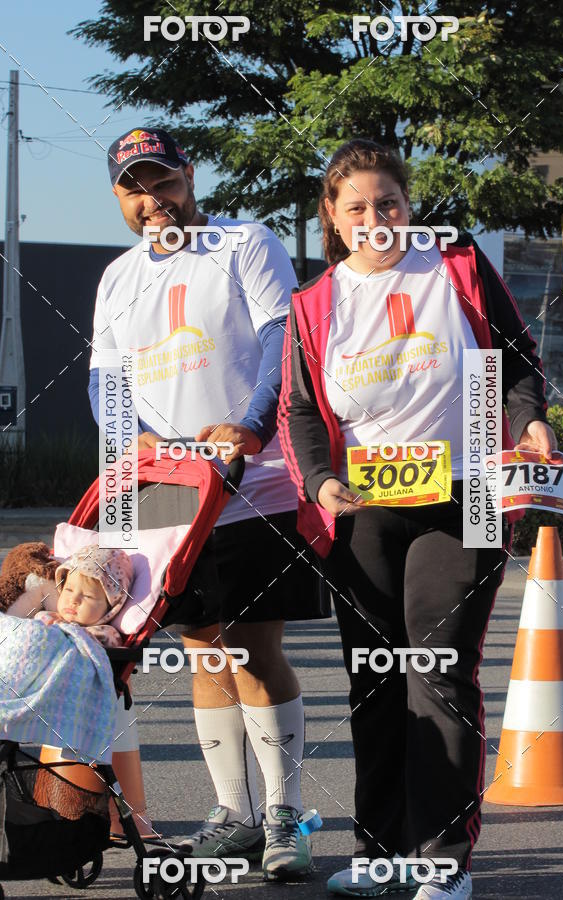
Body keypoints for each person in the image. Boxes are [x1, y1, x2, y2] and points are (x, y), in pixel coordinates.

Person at [278, 138, 557, 898]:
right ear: (332, 216)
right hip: (364, 509)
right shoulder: (313, 303)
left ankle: (441, 860)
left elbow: (516, 358)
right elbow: (299, 411)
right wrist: (320, 482)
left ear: (409, 206)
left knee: (436, 672)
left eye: (389, 202)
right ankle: (381, 851)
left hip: (466, 492)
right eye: (357, 207)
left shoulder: (456, 265)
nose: (376, 218)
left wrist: (528, 417)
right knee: (375, 682)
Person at [88, 127, 326, 880]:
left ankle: (286, 815)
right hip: (170, 498)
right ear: (118, 197)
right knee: (203, 652)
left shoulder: (245, 243)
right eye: (134, 188)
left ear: (189, 177)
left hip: (254, 486)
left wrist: (251, 426)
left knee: (254, 650)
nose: (152, 199)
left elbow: (285, 339)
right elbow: (106, 385)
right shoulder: (118, 278)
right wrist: (137, 443)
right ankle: (235, 815)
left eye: (163, 181)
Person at [35, 545, 133, 648]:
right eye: (69, 590)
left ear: (110, 608)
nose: (73, 600)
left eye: (88, 596)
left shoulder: (104, 635)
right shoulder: (46, 618)